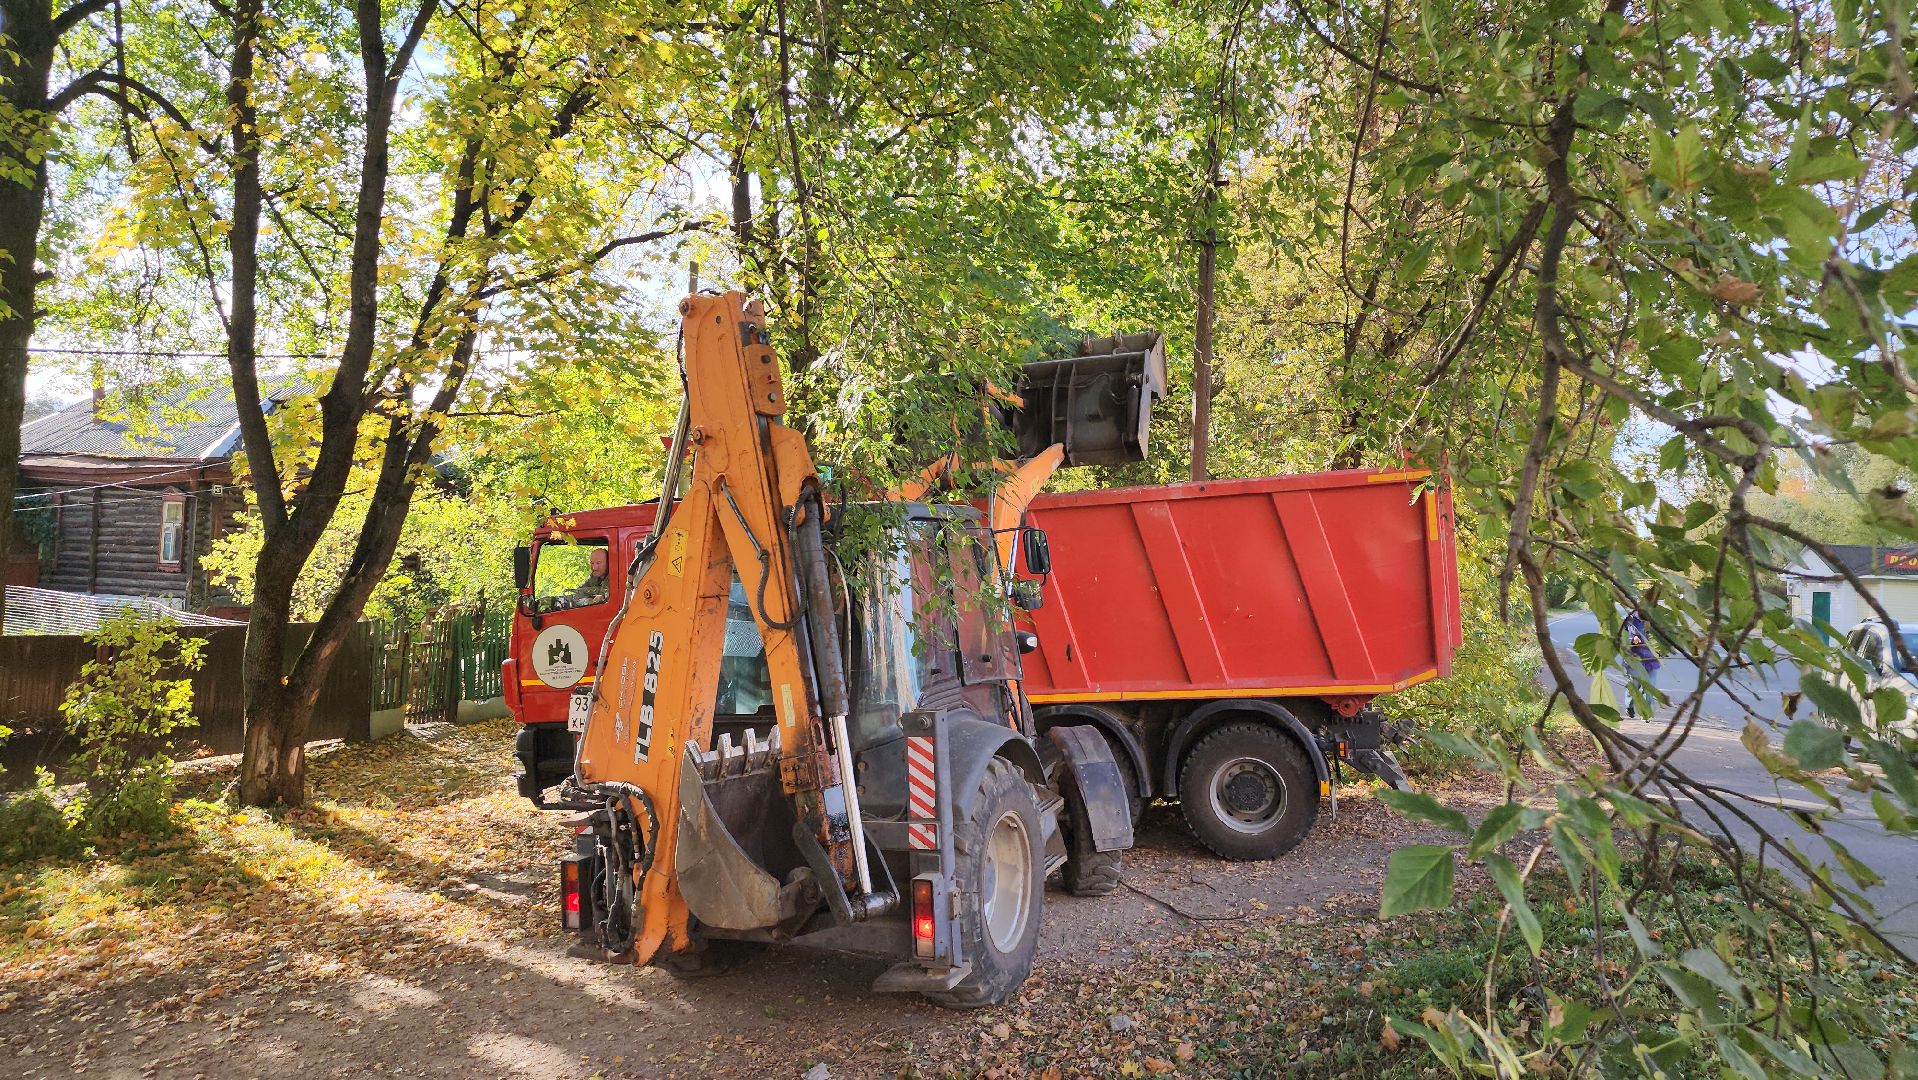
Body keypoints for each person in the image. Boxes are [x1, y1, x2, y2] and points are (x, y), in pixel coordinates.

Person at [1623, 607, 1661, 719]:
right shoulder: (1631, 619)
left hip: (1652, 661)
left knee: (1649, 689)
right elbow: (1626, 635)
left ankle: (1646, 714)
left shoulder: (1657, 619)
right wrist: (1632, 640)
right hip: (1635, 660)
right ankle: (1629, 706)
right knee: (1634, 687)